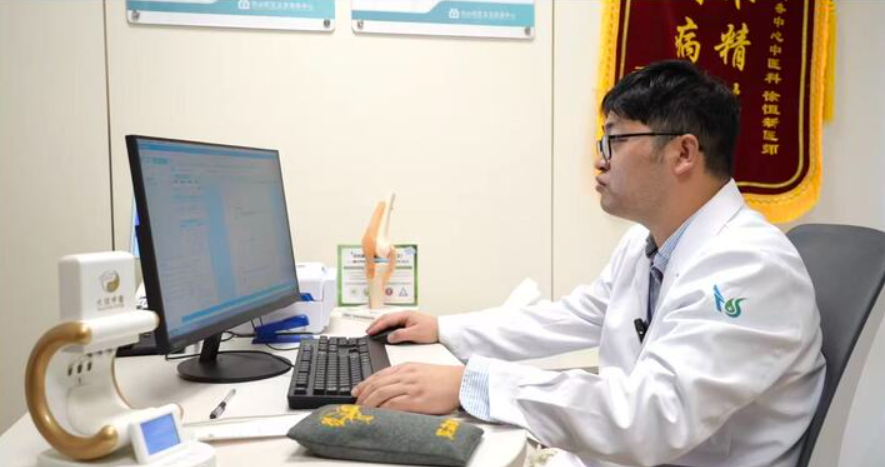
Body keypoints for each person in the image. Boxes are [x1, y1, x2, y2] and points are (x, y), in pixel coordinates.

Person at [352, 60, 826, 467]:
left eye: (615, 140)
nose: (600, 161)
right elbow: (572, 317)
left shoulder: (751, 267)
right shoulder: (647, 243)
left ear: (683, 153)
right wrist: (444, 329)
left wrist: (473, 384)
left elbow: (653, 417)